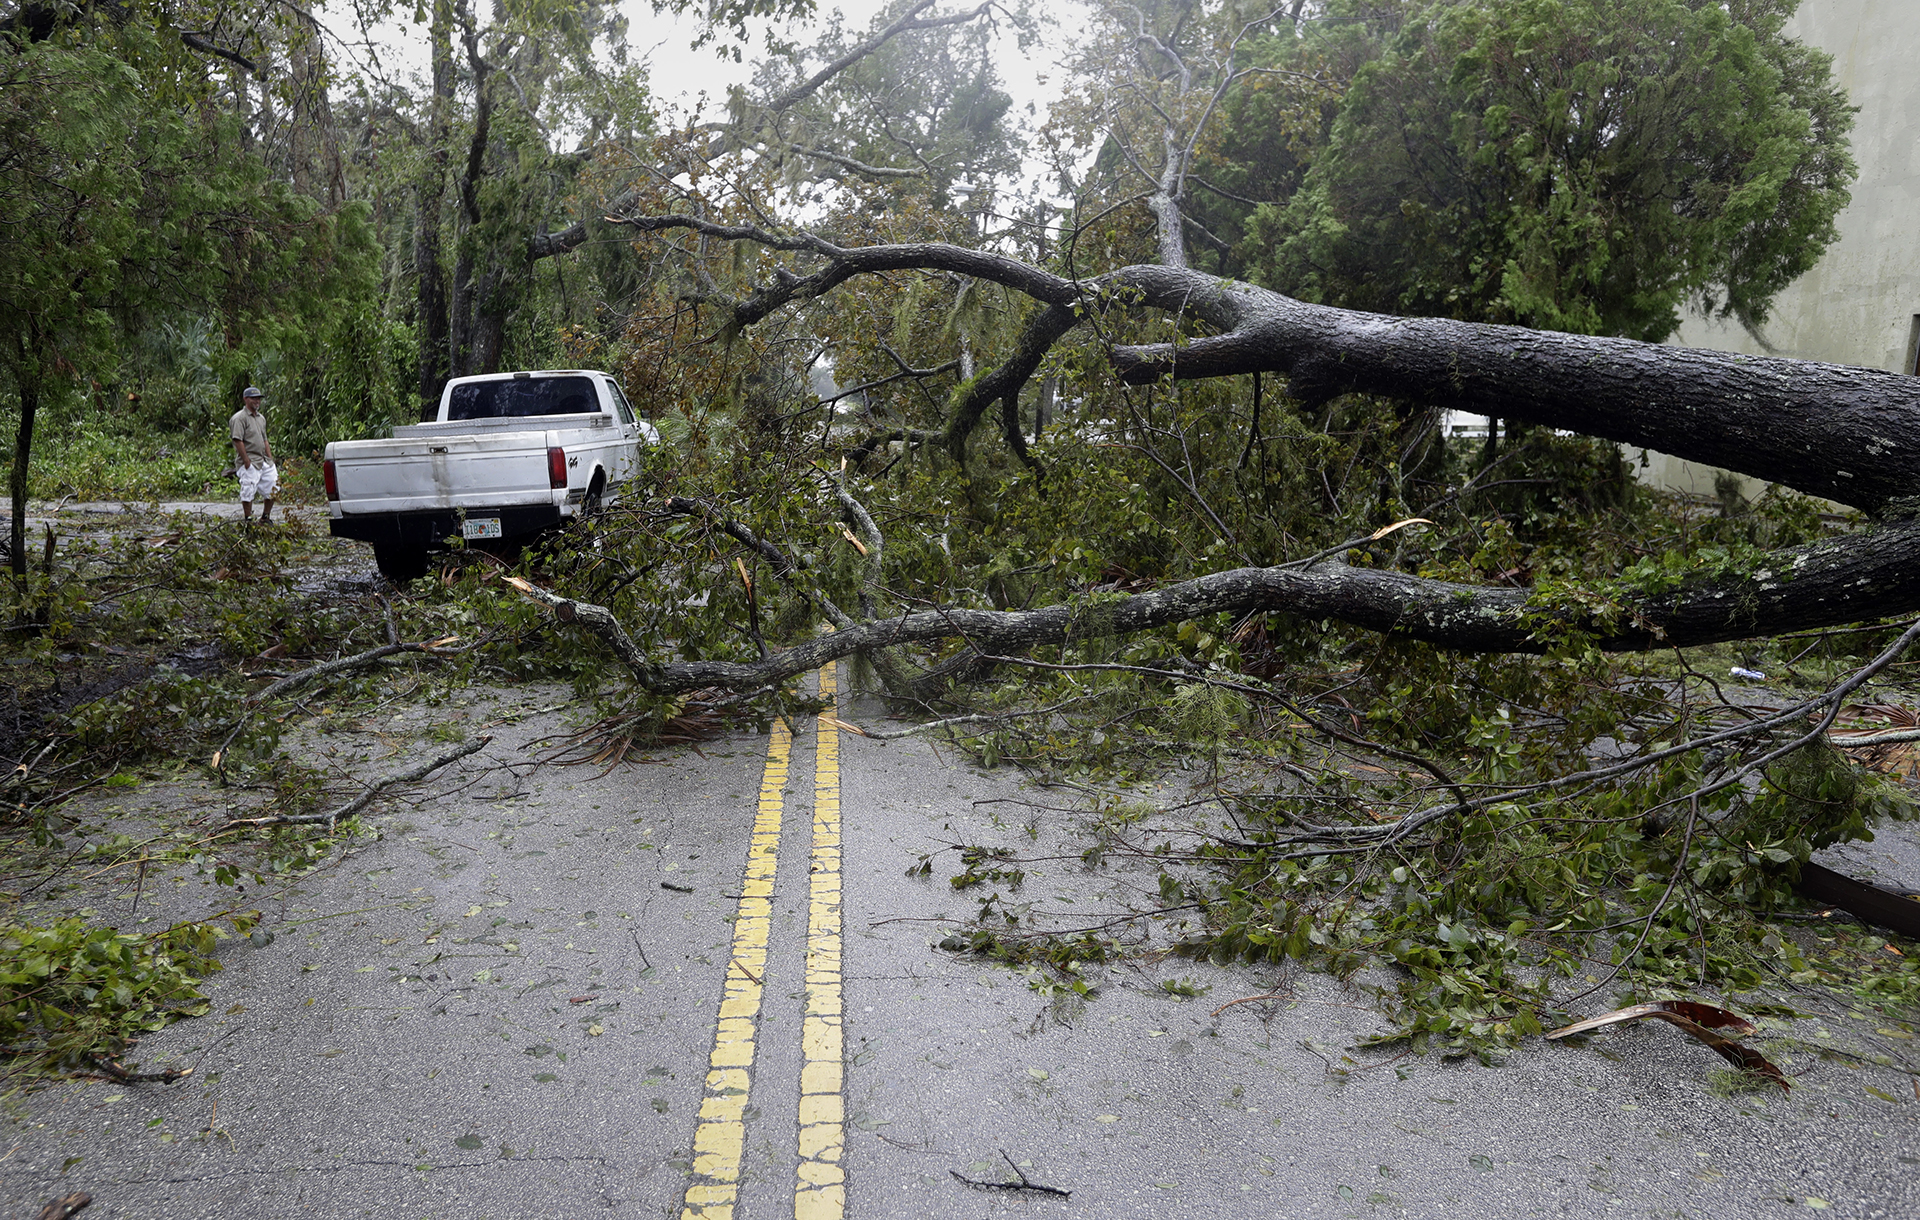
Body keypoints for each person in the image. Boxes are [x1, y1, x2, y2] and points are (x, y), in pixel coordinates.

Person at [230, 386, 277, 523]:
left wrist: (270, 459)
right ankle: (248, 519)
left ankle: (265, 517)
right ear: (246, 399)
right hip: (250, 460)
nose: (257, 401)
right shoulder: (239, 418)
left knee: (273, 486)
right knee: (248, 489)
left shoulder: (261, 418)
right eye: (253, 398)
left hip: (264, 460)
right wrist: (246, 461)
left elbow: (265, 439)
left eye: (258, 398)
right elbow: (237, 440)